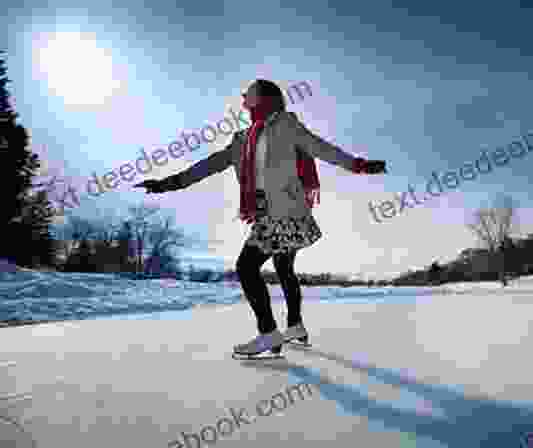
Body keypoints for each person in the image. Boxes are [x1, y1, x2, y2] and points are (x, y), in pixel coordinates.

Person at [135, 79, 387, 357]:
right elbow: (206, 166)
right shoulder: (241, 141)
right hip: (275, 214)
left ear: (262, 99)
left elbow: (320, 147)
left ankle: (268, 334)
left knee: (246, 267)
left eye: (248, 97)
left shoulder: (286, 125)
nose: (243, 102)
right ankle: (295, 326)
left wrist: (358, 165)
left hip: (286, 212)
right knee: (283, 268)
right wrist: (168, 183)